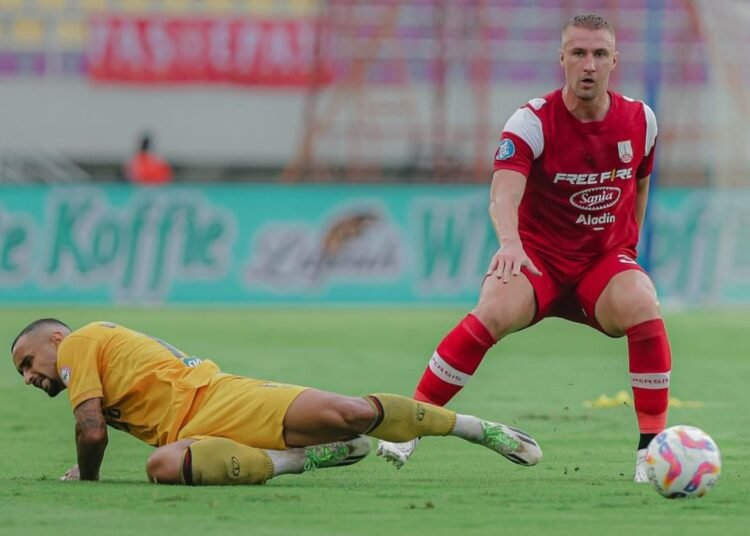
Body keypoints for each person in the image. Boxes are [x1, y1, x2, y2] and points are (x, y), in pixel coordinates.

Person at [377, 13, 669, 483]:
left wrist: (628, 248)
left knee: (643, 303)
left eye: (598, 54)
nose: (588, 64)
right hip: (539, 260)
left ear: (615, 59)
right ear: (562, 59)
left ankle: (651, 452)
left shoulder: (641, 120)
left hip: (600, 264)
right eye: (578, 53)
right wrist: (510, 244)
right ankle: (412, 420)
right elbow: (504, 193)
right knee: (492, 308)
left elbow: (640, 183)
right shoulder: (532, 120)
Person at [10, 318, 542, 485]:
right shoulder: (85, 352)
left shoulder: (77, 344)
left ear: (54, 341)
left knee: (352, 413)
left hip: (221, 400)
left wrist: (88, 477)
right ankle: (296, 461)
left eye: (26, 363)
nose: (28, 376)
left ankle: (476, 428)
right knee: (163, 466)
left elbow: (91, 430)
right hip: (192, 436)